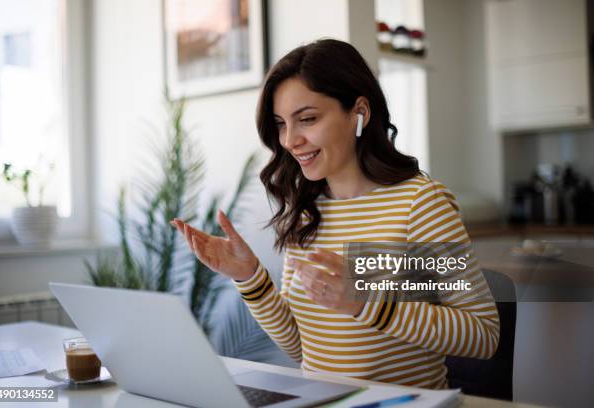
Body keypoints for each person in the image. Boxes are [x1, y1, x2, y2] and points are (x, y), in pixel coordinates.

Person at [171, 39, 499, 389]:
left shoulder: (419, 204)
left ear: (359, 112)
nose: (289, 140)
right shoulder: (305, 213)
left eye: (307, 119)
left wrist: (368, 303)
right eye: (281, 123)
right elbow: (304, 349)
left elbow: (482, 334)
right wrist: (250, 277)